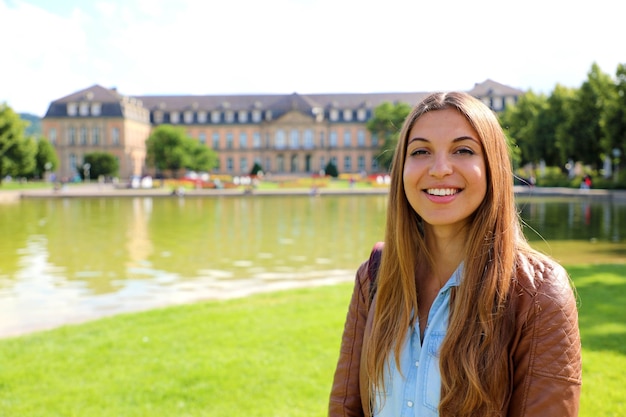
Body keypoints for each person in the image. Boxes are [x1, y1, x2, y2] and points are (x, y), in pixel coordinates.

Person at [328, 92, 582, 417]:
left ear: (493, 167)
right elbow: (344, 408)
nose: (439, 169)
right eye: (421, 151)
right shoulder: (375, 275)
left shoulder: (538, 293)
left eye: (463, 150)